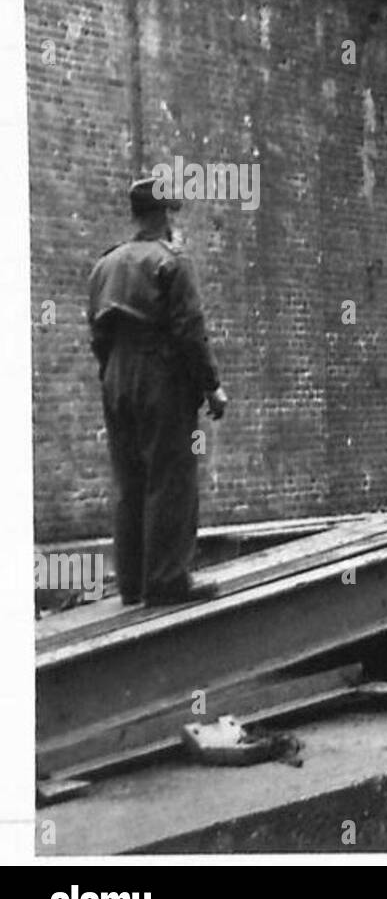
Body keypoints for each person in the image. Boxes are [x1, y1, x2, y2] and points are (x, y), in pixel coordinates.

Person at [88, 177, 229, 606]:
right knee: (170, 477)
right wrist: (212, 387)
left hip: (116, 373)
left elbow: (96, 332)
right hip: (160, 374)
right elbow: (190, 330)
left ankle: (132, 583)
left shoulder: (105, 264)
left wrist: (114, 372)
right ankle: (167, 581)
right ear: (166, 215)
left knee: (129, 479)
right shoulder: (173, 261)